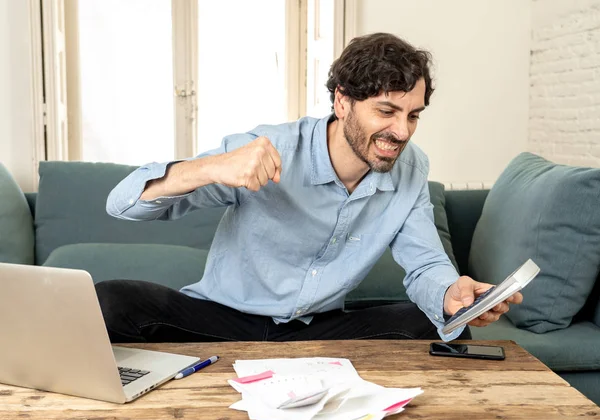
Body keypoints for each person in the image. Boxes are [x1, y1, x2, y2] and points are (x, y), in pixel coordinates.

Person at [98, 32, 522, 343]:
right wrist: (211, 167)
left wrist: (452, 295)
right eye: (386, 111)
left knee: (440, 324)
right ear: (342, 101)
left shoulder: (410, 170)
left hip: (317, 332)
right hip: (222, 320)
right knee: (110, 301)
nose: (402, 131)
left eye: (413, 115)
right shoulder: (267, 149)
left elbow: (425, 264)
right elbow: (122, 203)